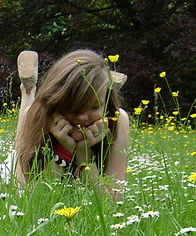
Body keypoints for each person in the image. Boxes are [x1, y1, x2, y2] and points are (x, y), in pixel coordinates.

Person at [11, 49, 129, 199]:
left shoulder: (118, 120)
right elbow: (25, 198)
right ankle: (28, 88)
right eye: (75, 107)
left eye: (94, 106)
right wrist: (63, 151)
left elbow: (113, 203)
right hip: (34, 121)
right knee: (28, 112)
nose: (82, 117)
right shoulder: (39, 115)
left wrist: (84, 156)